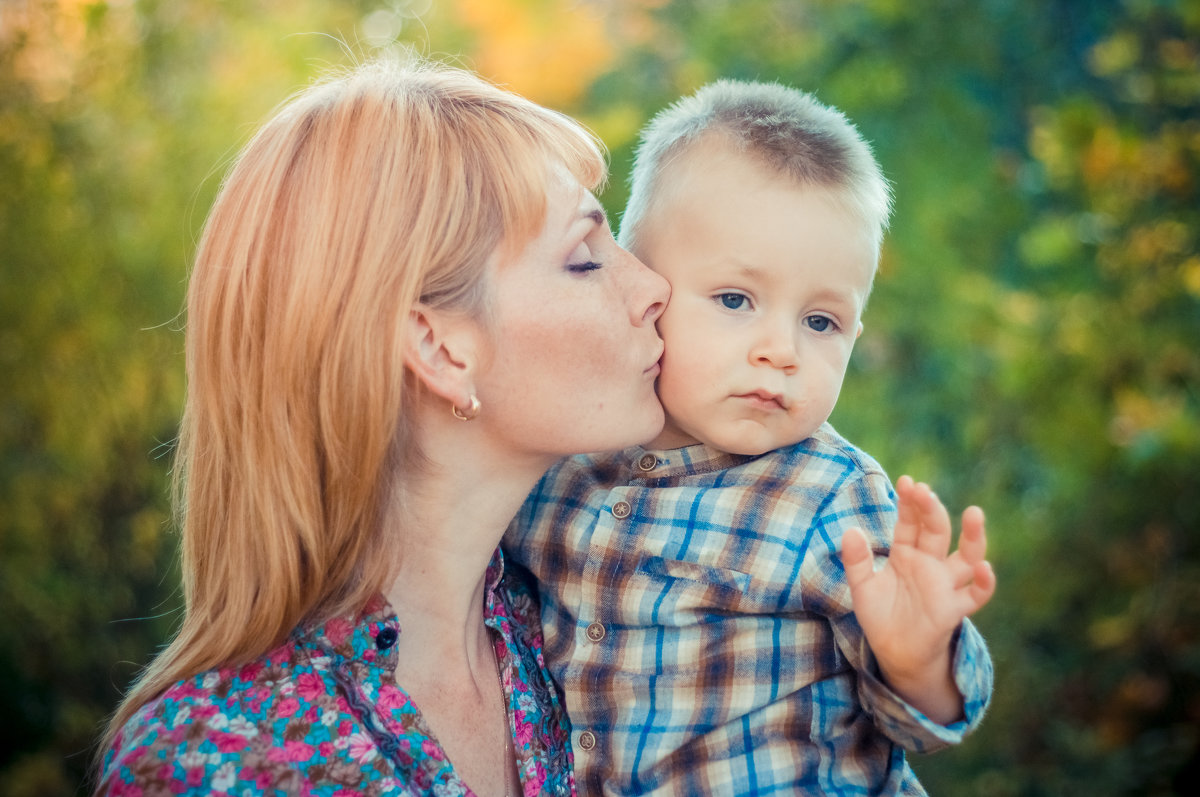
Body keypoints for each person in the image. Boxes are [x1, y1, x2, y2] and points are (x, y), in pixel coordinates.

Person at [95, 57, 672, 797]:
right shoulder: (208, 765)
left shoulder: (596, 638)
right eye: (586, 259)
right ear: (438, 347)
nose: (653, 287)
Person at [506, 80, 997, 795]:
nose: (782, 349)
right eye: (736, 300)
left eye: (821, 322)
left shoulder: (829, 494)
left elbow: (925, 726)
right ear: (643, 287)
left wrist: (917, 656)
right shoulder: (558, 467)